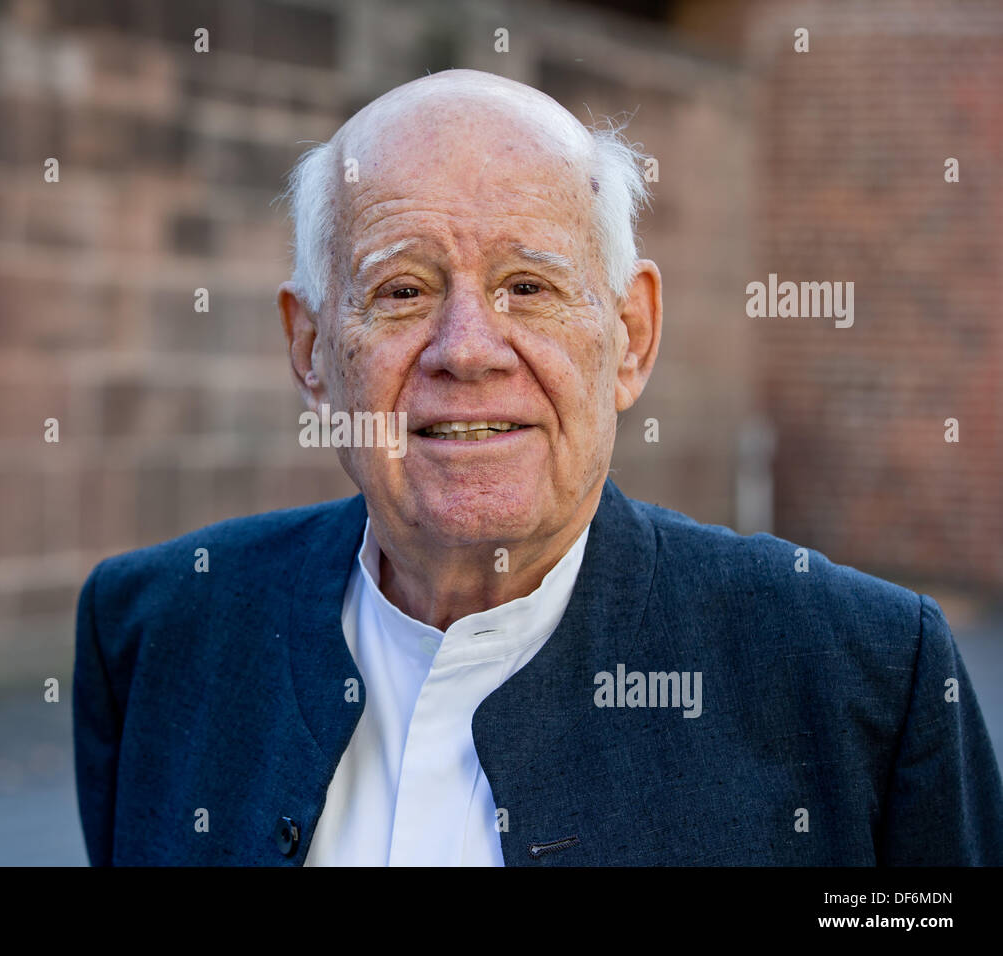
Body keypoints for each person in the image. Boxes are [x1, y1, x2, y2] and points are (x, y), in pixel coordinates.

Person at [73, 69, 1003, 866]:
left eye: (530, 287)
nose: (468, 350)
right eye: (402, 290)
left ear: (630, 336)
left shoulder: (865, 681)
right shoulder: (156, 635)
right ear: (312, 349)